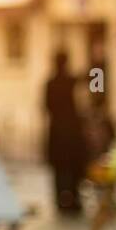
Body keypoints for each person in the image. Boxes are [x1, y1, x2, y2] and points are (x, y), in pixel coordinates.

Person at [43, 50, 88, 216]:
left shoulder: (52, 83)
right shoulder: (69, 81)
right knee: (70, 167)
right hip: (70, 132)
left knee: (60, 169)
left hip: (58, 132)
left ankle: (63, 200)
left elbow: (46, 107)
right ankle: (72, 199)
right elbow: (92, 78)